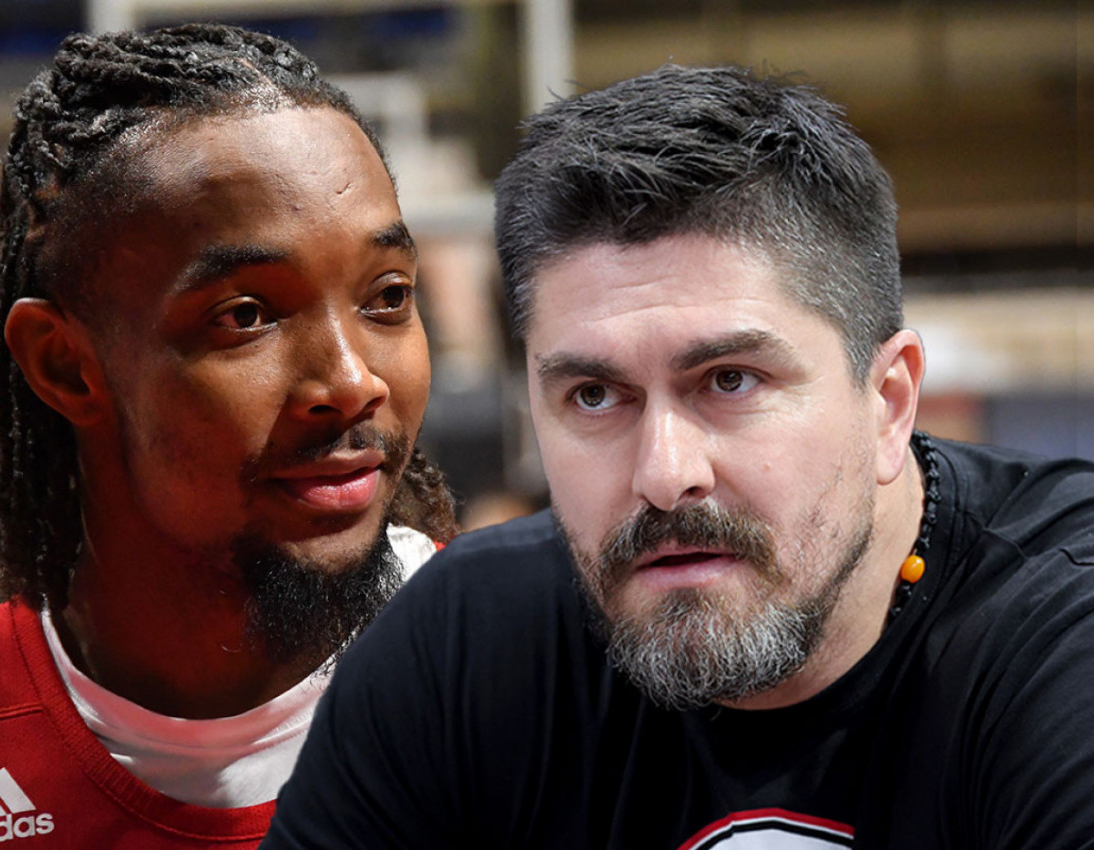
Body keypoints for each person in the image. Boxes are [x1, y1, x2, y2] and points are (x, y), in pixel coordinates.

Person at [263, 64, 1094, 849]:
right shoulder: (461, 651)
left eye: (729, 380)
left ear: (886, 401)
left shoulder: (1058, 641)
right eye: (594, 395)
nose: (663, 475)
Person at [0, 23, 456, 850]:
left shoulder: (553, 676)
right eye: (245, 316)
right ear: (64, 365)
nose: (351, 380)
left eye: (387, 296)